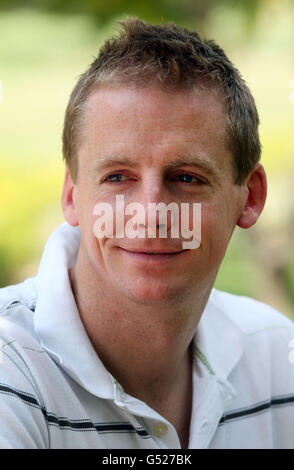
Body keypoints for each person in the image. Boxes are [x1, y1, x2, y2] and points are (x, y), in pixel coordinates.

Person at [0, 18, 293, 450]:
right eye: (118, 177)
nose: (151, 214)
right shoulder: (10, 371)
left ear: (249, 197)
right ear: (71, 194)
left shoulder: (278, 357)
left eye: (187, 178)